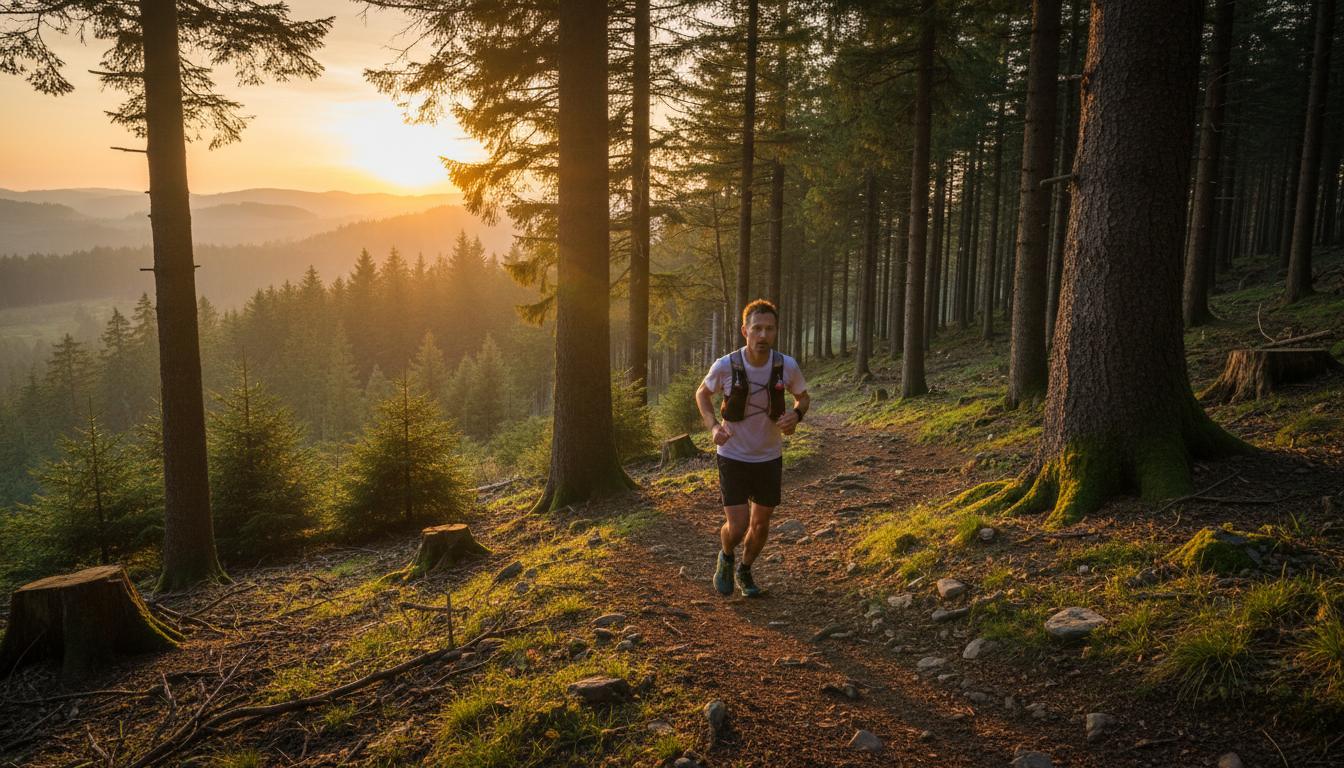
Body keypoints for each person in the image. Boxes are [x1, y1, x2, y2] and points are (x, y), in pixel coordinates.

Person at [695, 299, 810, 597]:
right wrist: (713, 427)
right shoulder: (726, 365)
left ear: (775, 331)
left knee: (760, 526)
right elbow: (702, 394)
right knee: (737, 526)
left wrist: (796, 415)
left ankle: (745, 569)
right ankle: (726, 556)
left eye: (769, 329)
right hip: (732, 455)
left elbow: (803, 397)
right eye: (756, 328)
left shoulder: (786, 366)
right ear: (744, 331)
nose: (763, 335)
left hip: (769, 457)